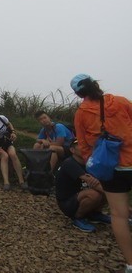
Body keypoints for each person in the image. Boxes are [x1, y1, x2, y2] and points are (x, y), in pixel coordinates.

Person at [72, 74, 132, 270]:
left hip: (111, 169)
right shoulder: (120, 101)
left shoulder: (81, 113)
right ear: (95, 84)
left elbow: (83, 146)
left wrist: (95, 165)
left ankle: (131, 264)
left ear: (78, 93)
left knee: (119, 215)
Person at [55, 138, 110, 232]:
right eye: (81, 146)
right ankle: (78, 217)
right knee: (96, 194)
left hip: (82, 194)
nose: (86, 148)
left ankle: (95, 214)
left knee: (105, 187)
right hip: (68, 202)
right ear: (72, 150)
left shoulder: (89, 163)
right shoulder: (70, 163)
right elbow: (92, 183)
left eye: (87, 146)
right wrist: (116, 200)